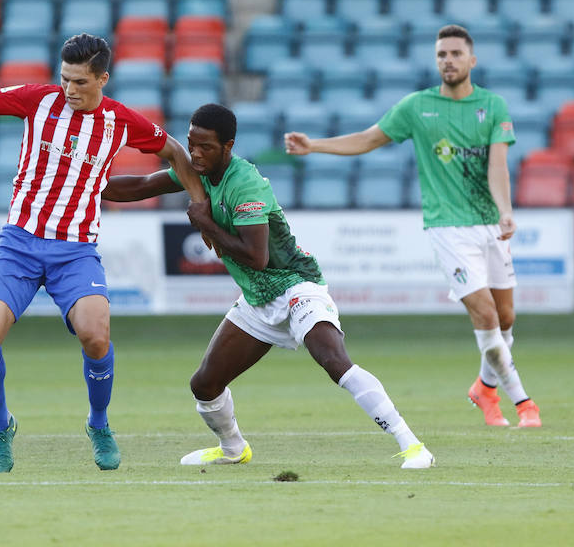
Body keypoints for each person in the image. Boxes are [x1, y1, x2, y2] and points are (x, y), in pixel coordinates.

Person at [0, 33, 207, 472]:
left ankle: (99, 423)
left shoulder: (121, 122)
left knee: (96, 334)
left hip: (76, 249)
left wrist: (200, 209)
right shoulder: (38, 100)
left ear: (103, 78)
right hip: (20, 244)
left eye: (80, 82)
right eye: (65, 79)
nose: (69, 89)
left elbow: (175, 152)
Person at [102, 103, 435, 469]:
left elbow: (255, 256)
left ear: (228, 146)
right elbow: (141, 185)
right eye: (191, 144)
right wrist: (83, 185)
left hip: (295, 286)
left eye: (206, 147)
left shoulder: (245, 183)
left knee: (334, 362)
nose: (195, 154)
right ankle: (233, 449)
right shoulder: (197, 172)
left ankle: (413, 445)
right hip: (257, 299)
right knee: (205, 385)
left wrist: (205, 222)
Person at [284, 24, 541, 428]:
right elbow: (369, 139)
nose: (448, 61)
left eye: (456, 54)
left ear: (471, 60)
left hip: (490, 224)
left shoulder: (493, 106)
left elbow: (497, 166)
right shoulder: (417, 107)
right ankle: (524, 402)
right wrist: (315, 145)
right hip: (447, 227)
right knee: (487, 315)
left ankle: (485, 390)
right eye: (441, 54)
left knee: (505, 318)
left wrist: (505, 210)